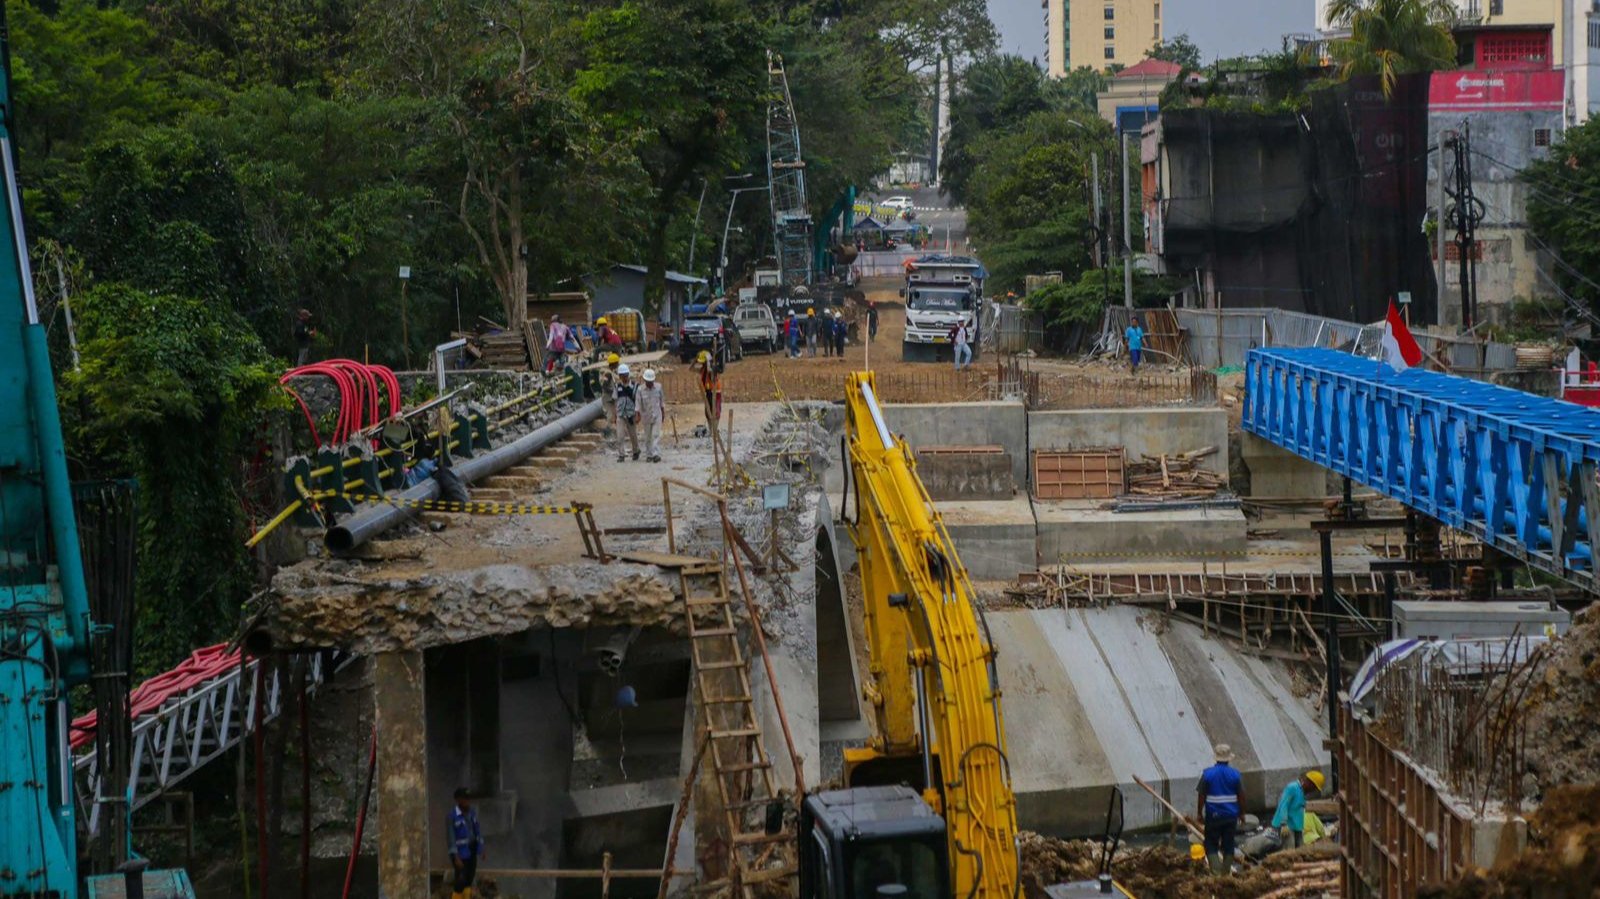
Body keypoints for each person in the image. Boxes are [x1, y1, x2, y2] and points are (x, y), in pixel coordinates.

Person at [1197, 744, 1245, 875]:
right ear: (1229, 759)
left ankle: (1216, 872)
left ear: (1216, 758)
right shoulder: (1235, 774)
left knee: (1211, 844)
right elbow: (1241, 796)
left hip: (1213, 815)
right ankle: (1225, 873)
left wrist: (1199, 813)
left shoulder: (1207, 774)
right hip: (1231, 816)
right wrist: (1242, 813)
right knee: (1229, 844)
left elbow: (1201, 795)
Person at [1271, 770, 1324, 850]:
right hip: (1287, 827)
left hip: (1297, 826)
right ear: (1309, 782)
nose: (1313, 791)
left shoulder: (1302, 793)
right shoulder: (1292, 788)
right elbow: (1283, 805)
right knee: (1290, 850)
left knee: (1300, 849)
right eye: (1314, 788)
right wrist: (1283, 824)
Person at [448, 787, 484, 899]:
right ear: (458, 800)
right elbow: (450, 838)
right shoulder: (452, 816)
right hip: (460, 852)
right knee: (461, 880)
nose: (467, 802)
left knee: (469, 878)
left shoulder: (472, 813)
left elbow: (477, 830)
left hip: (471, 849)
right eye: (465, 799)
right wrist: (455, 856)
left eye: (468, 799)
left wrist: (481, 848)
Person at [613, 363, 640, 461]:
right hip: (620, 414)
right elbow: (615, 401)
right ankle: (621, 455)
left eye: (625, 375)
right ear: (619, 376)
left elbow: (637, 401)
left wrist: (637, 414)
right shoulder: (617, 386)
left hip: (631, 414)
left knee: (633, 435)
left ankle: (636, 451)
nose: (624, 378)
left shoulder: (635, 386)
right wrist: (614, 415)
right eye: (622, 376)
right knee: (620, 436)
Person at [639, 368, 665, 463]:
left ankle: (655, 454)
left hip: (657, 414)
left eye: (651, 382)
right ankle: (649, 454)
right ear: (645, 380)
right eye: (648, 382)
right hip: (646, 416)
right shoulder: (640, 389)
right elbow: (639, 403)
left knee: (656, 435)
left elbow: (662, 401)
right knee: (647, 437)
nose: (649, 383)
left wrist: (663, 412)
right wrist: (638, 414)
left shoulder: (658, 387)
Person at [696, 349, 723, 422]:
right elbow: (691, 369)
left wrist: (708, 361)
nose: (702, 364)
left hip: (715, 391)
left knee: (715, 411)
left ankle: (715, 428)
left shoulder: (712, 368)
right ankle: (710, 428)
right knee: (708, 412)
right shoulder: (703, 369)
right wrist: (696, 359)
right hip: (708, 392)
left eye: (703, 362)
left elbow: (710, 371)